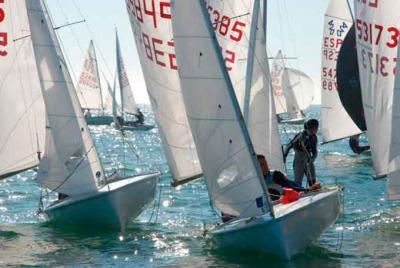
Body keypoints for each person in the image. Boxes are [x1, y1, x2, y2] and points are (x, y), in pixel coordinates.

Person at [283, 119, 319, 187]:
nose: (317, 129)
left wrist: (312, 159)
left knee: (312, 180)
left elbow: (315, 151)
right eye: (317, 127)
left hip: (308, 159)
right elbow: (289, 145)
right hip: (299, 159)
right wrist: (284, 155)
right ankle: (299, 192)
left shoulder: (314, 137)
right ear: (313, 127)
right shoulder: (300, 135)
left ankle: (314, 191)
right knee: (298, 181)